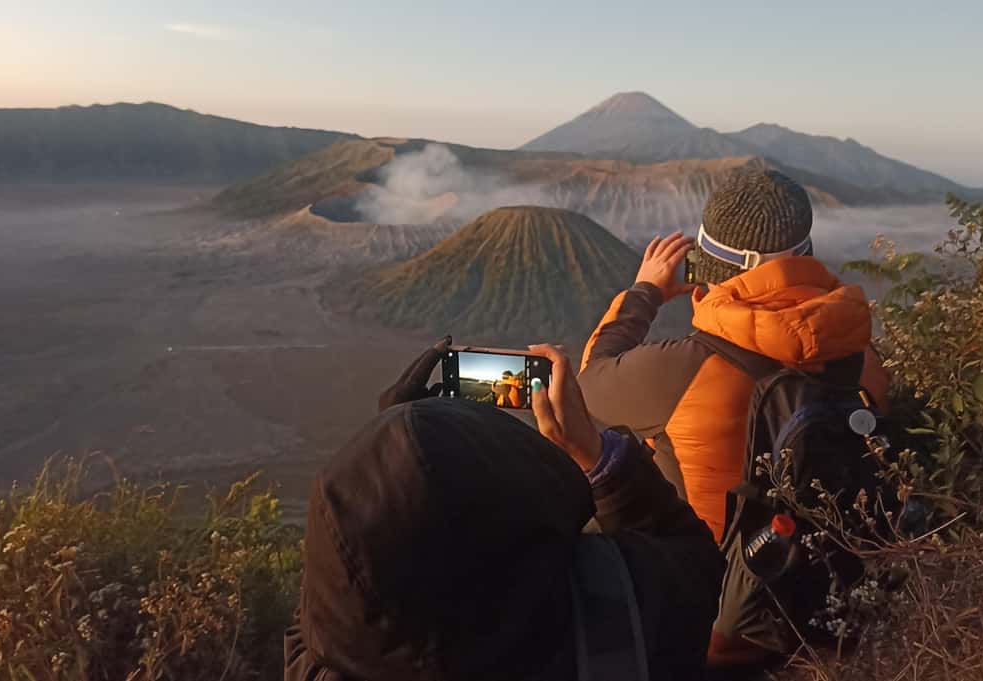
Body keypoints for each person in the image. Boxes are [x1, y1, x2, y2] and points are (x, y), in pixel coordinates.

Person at [576, 169, 890, 665]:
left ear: (712, 264)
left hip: (711, 618)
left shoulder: (683, 370)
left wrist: (645, 293)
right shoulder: (862, 357)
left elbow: (591, 383)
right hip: (830, 604)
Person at [284, 338, 723, 681]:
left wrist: (390, 459)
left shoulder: (321, 667)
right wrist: (591, 451)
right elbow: (695, 564)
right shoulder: (614, 630)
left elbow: (332, 596)